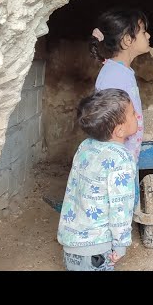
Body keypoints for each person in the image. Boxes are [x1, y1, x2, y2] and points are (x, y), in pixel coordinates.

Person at [57, 88, 139, 271]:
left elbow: (74, 190)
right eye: (133, 113)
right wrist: (120, 243)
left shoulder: (85, 146)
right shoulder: (121, 159)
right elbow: (121, 206)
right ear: (119, 130)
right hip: (96, 250)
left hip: (71, 244)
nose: (137, 115)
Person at [91, 6, 151, 206]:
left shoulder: (120, 71)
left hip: (122, 156)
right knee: (115, 204)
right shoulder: (115, 76)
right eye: (143, 32)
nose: (148, 35)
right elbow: (108, 124)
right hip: (115, 160)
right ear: (127, 40)